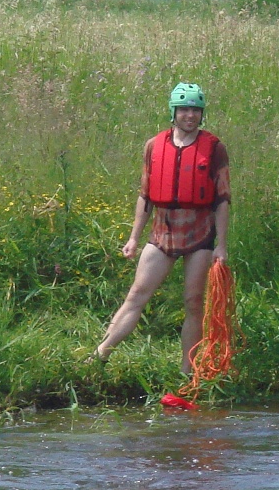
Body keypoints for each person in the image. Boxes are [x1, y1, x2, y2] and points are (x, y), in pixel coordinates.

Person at [91, 82, 231, 373]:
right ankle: (99, 356)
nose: (190, 115)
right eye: (184, 109)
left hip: (200, 234)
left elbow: (223, 199)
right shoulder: (154, 145)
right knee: (137, 295)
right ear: (174, 112)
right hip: (162, 233)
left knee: (194, 303)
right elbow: (145, 195)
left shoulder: (215, 148)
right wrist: (133, 238)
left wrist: (221, 245)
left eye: (195, 110)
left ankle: (187, 372)